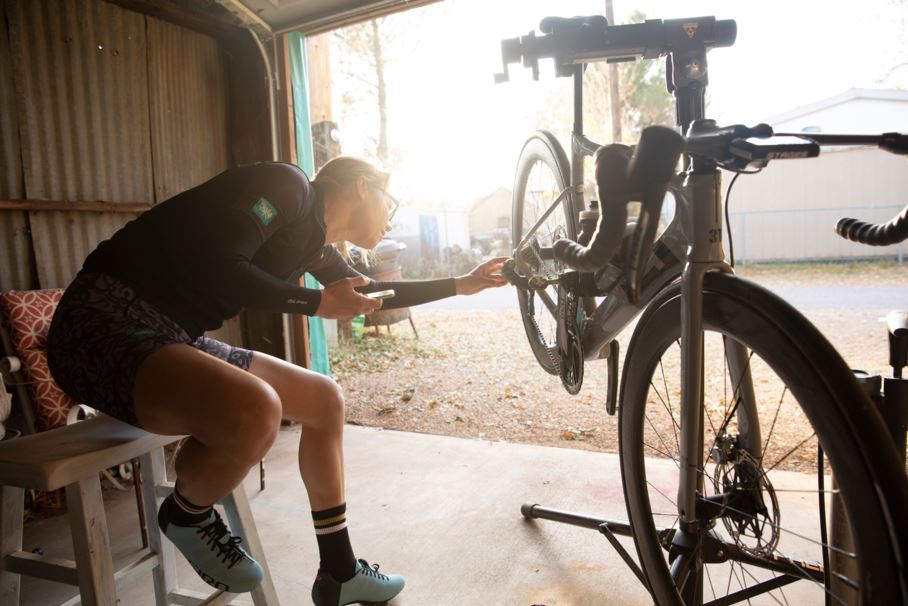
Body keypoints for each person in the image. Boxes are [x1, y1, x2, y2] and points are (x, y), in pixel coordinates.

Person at [47, 157, 508, 606]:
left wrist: (461, 283)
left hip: (169, 337)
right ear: (363, 186)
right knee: (258, 408)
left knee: (324, 398)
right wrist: (315, 302)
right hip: (101, 323)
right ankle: (186, 513)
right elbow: (224, 266)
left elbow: (369, 294)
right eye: (390, 204)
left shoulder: (313, 245)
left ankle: (339, 572)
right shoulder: (287, 186)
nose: (389, 222)